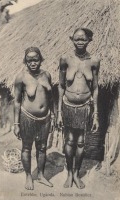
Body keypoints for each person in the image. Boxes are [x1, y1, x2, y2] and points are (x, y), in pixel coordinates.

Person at [57, 28, 100, 189]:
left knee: (81, 142)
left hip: (85, 107)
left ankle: (76, 174)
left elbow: (95, 88)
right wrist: (59, 112)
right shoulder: (65, 59)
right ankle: (69, 174)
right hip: (68, 106)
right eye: (76, 39)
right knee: (69, 140)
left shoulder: (94, 61)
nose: (80, 42)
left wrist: (95, 113)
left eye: (83, 39)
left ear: (89, 40)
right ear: (72, 40)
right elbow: (61, 86)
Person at [14, 47, 54, 190]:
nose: (33, 63)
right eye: (29, 60)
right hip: (27, 118)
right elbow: (17, 101)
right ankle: (28, 176)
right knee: (26, 148)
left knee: (42, 147)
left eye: (35, 60)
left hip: (45, 118)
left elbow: (51, 98)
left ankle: (41, 175)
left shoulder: (47, 75)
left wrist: (53, 116)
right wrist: (16, 123)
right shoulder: (21, 77)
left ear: (40, 60)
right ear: (25, 61)